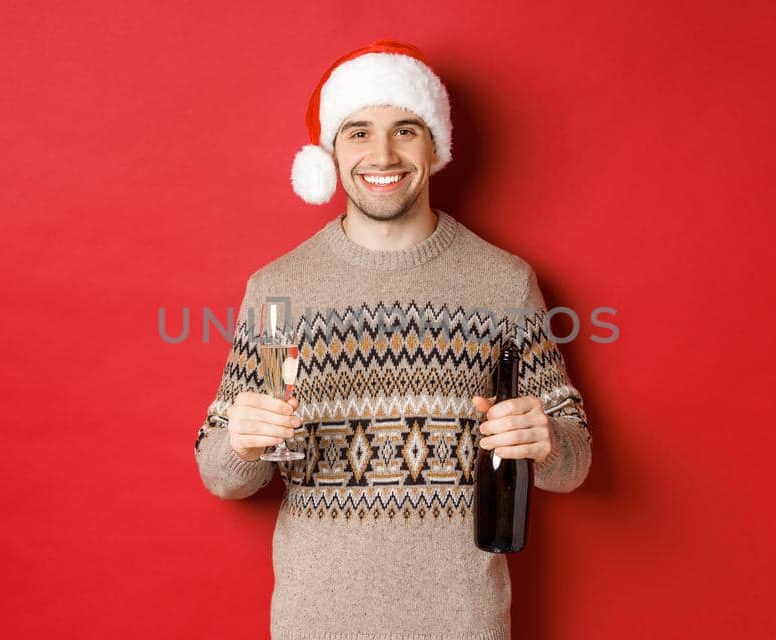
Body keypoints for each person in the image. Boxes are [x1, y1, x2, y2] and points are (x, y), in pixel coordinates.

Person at [192, 39, 592, 640]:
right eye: (358, 131)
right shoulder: (281, 292)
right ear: (329, 150)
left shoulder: (502, 283)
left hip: (463, 622)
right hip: (316, 622)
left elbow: (573, 464)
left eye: (405, 129)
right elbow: (225, 476)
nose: (383, 153)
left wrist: (549, 440)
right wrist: (241, 443)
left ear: (435, 146)